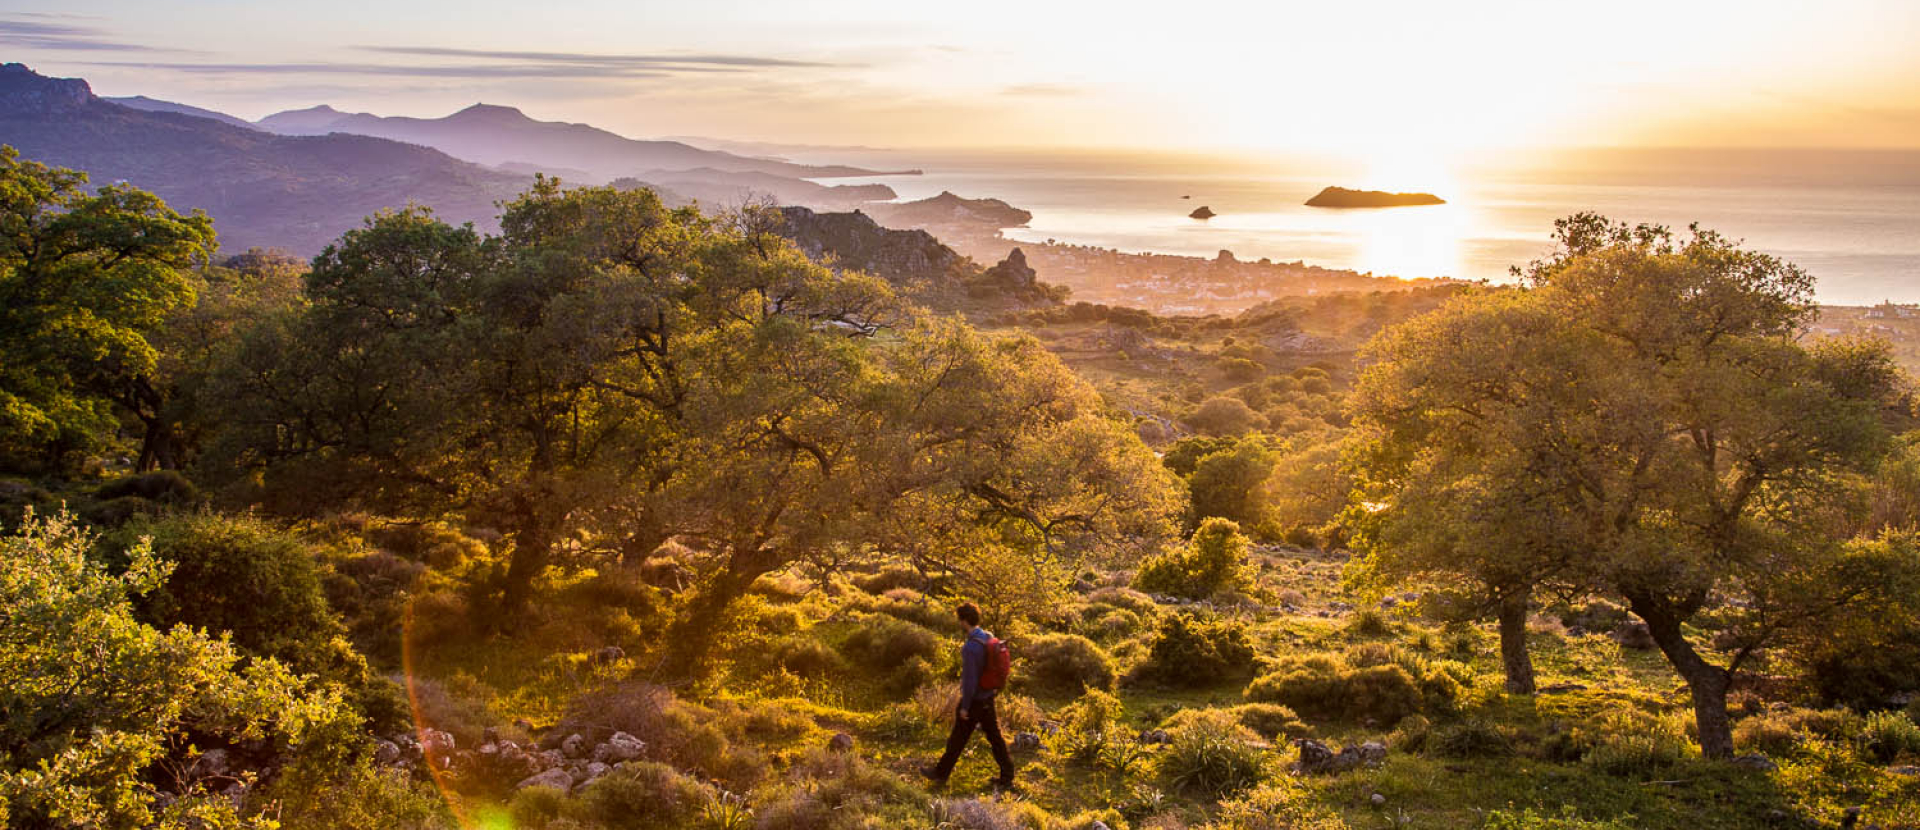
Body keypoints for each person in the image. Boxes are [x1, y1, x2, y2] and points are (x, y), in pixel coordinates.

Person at [921, 601, 1015, 789]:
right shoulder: (987, 636)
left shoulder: (971, 647)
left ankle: (940, 773)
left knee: (958, 738)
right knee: (995, 738)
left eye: (960, 620)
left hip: (975, 701)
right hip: (988, 696)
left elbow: (970, 680)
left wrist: (965, 706)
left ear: (964, 621)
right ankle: (1007, 777)